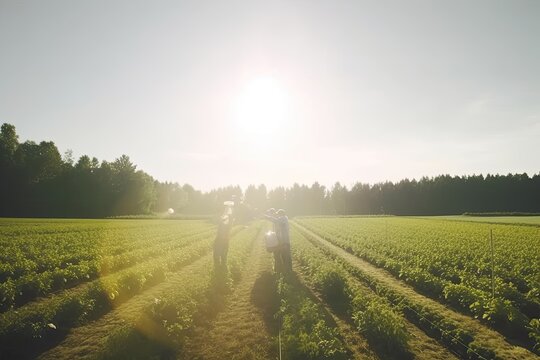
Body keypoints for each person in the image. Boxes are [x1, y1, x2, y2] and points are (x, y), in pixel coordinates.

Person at [264, 208, 292, 273]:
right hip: (283, 241)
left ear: (281, 214)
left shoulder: (283, 218)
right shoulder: (282, 219)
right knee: (285, 256)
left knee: (286, 256)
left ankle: (288, 270)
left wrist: (267, 217)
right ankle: (285, 269)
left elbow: (276, 220)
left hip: (285, 241)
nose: (278, 216)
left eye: (278, 215)